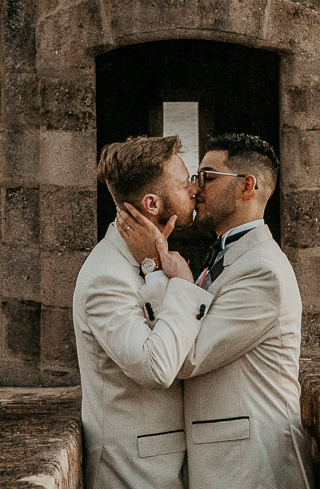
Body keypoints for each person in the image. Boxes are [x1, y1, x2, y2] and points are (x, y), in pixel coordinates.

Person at [120, 133, 312, 489]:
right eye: (195, 176)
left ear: (246, 187)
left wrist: (155, 270)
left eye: (207, 177)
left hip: (253, 465)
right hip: (226, 462)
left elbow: (187, 356)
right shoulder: (228, 254)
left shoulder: (263, 271)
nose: (195, 188)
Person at [74, 135, 212, 489]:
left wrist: (154, 267)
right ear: (152, 203)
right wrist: (182, 284)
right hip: (131, 471)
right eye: (184, 184)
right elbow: (155, 368)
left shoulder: (143, 261)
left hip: (164, 463)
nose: (194, 189)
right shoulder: (104, 277)